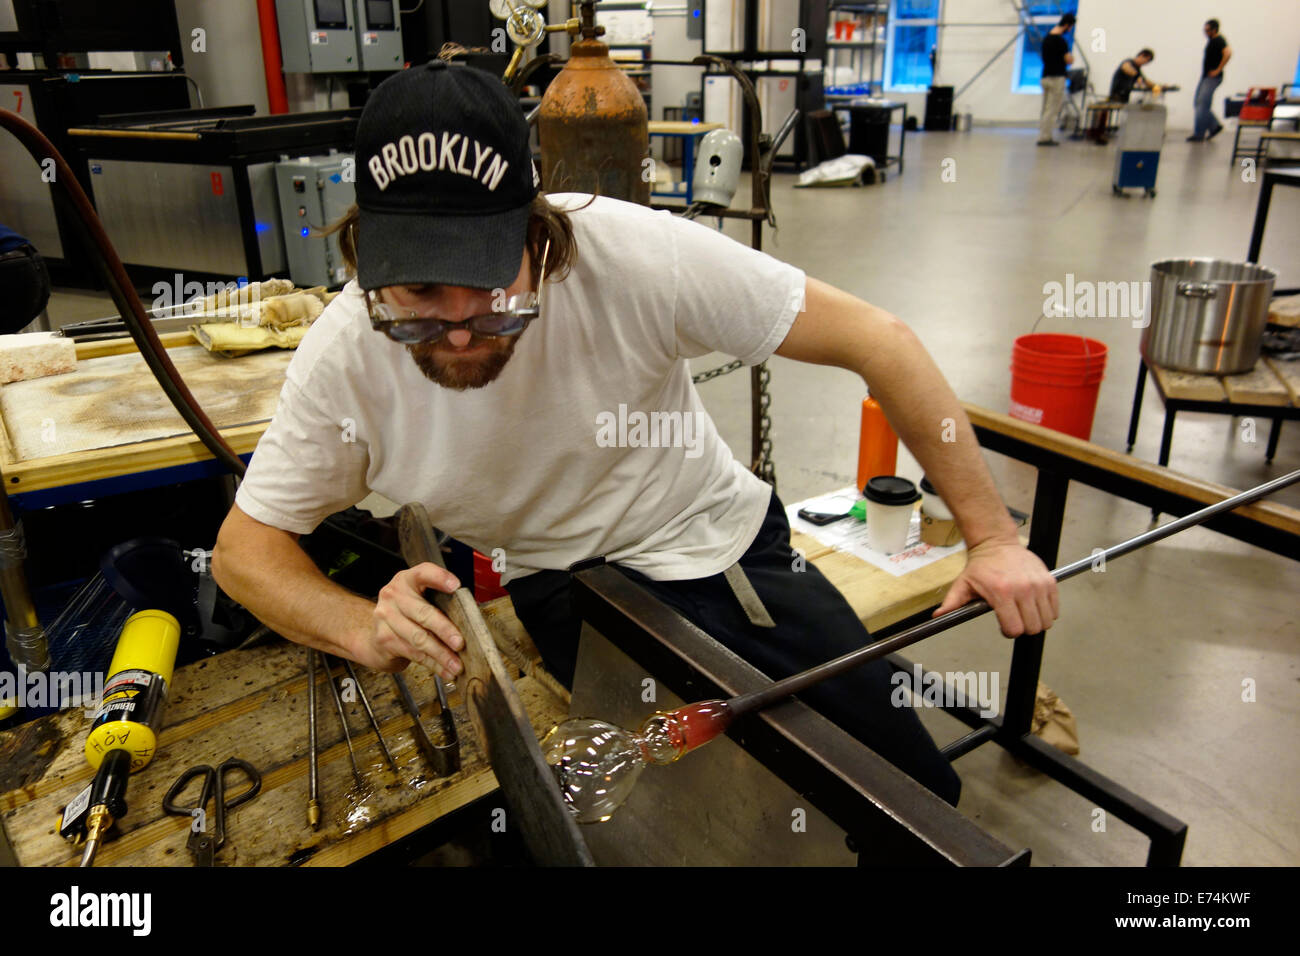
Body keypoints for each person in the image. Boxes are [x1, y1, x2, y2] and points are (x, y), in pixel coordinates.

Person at [212, 62, 1059, 807]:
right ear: (365, 254)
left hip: (715, 541)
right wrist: (360, 626)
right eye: (423, 292)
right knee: (692, 809)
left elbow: (882, 341)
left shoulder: (638, 255)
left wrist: (991, 538)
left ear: (538, 234)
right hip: (559, 580)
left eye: (488, 284)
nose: (462, 328)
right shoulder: (342, 360)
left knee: (906, 794)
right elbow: (244, 551)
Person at [1190, 18, 1231, 141]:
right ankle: (1214, 126)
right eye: (1204, 30)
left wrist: (1218, 69)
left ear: (1214, 30)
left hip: (1212, 78)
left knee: (1202, 104)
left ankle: (1199, 134)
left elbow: (1228, 53)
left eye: (1207, 30)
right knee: (1198, 103)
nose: (1205, 33)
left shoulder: (1219, 40)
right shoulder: (1212, 40)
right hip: (1206, 77)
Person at [1038, 13, 1075, 146]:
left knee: (1045, 108)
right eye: (1070, 27)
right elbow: (1069, 60)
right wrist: (1070, 57)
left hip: (1045, 76)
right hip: (1056, 78)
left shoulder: (1046, 38)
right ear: (1066, 25)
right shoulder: (1060, 41)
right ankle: (1045, 137)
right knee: (1052, 109)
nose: (1069, 30)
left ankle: (1043, 134)